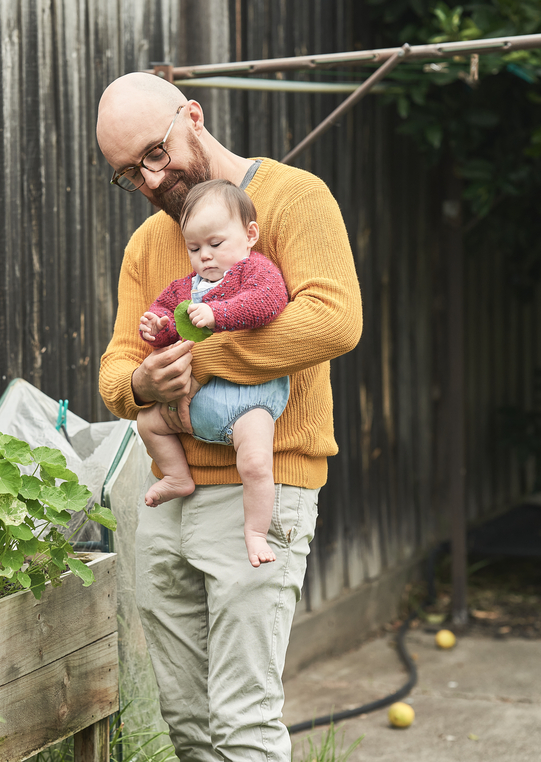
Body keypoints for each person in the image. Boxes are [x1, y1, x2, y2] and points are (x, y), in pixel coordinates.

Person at [96, 71, 362, 762]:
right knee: (187, 725)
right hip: (168, 496)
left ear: (192, 115)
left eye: (155, 154)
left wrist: (203, 359)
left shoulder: (293, 198)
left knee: (242, 724)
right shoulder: (148, 246)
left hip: (261, 481)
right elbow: (117, 369)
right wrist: (145, 382)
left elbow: (333, 319)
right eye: (129, 173)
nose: (151, 181)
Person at [136, 179, 290, 568]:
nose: (205, 256)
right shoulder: (187, 287)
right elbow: (170, 319)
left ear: (249, 234)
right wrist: (156, 326)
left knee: (255, 463)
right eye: (194, 248)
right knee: (146, 423)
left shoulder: (253, 270)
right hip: (195, 408)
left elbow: (268, 303)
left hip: (248, 401)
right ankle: (177, 477)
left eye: (215, 244)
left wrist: (218, 314)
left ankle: (255, 533)